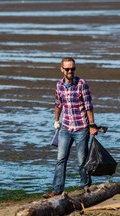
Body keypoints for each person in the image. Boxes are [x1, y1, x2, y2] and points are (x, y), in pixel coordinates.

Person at [43, 57, 98, 198]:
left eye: (72, 68)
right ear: (62, 69)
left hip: (81, 127)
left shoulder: (82, 84)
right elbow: (58, 104)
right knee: (60, 159)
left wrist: (92, 125)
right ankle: (57, 190)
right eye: (67, 69)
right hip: (65, 128)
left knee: (82, 161)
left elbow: (89, 106)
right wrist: (56, 120)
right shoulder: (59, 85)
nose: (70, 71)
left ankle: (86, 187)